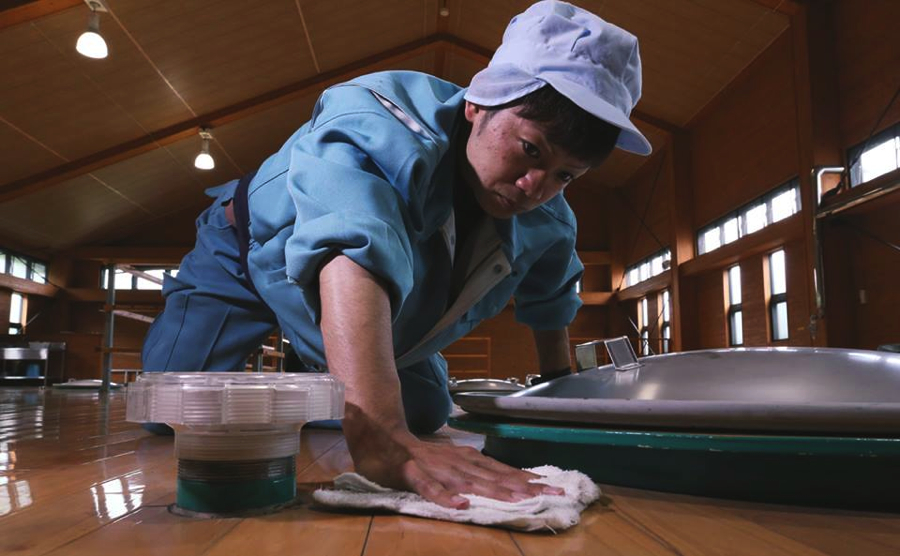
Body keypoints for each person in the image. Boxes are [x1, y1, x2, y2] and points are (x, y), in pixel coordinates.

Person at [141, 0, 651, 509]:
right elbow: (350, 245)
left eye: (566, 175)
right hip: (246, 253)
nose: (534, 187)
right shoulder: (377, 118)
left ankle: (322, 379)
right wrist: (381, 435)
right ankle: (332, 385)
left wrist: (558, 403)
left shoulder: (550, 218)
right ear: (479, 103)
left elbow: (551, 303)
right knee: (168, 408)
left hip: (358, 301)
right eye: (531, 150)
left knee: (425, 413)